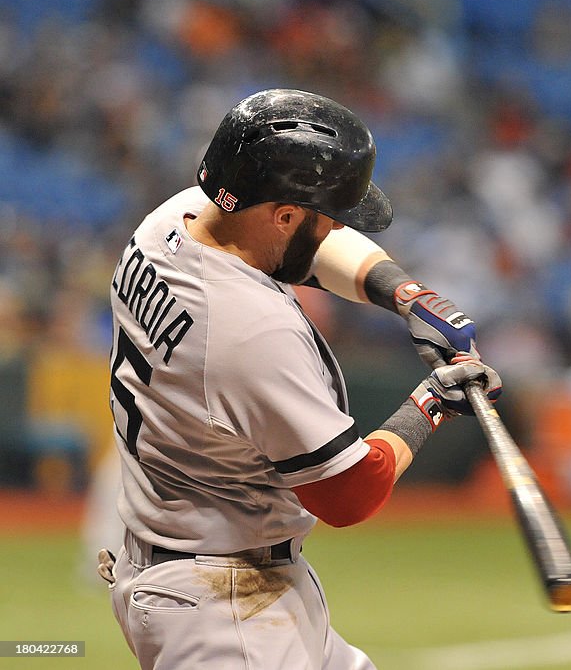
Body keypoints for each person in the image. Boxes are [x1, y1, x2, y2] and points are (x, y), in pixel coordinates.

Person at [99, 89, 502, 669]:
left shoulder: (177, 220)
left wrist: (409, 297)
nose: (336, 226)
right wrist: (431, 404)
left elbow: (309, 248)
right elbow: (347, 492)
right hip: (225, 609)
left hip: (210, 569)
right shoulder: (246, 332)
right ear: (282, 214)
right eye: (324, 214)